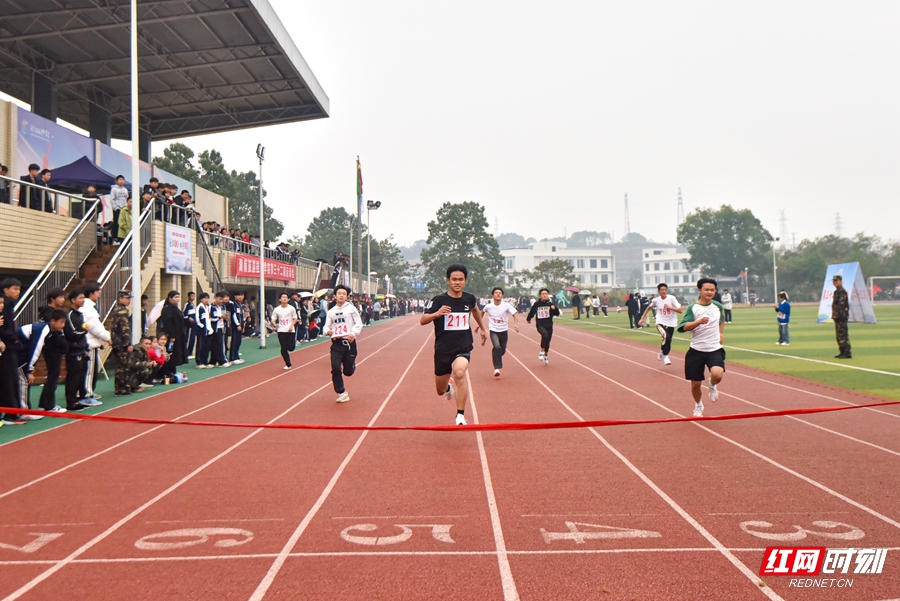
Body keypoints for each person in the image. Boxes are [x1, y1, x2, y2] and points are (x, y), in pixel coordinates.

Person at [420, 264, 487, 426]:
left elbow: (475, 310)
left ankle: (460, 415)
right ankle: (449, 388)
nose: (457, 282)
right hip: (443, 349)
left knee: (459, 373)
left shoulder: (469, 298)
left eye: (461, 280)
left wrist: (483, 328)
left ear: (465, 281)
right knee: (440, 390)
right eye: (454, 280)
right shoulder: (439, 300)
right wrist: (437, 313)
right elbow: (423, 320)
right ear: (448, 281)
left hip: (463, 347)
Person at [677, 278, 726, 418]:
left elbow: (721, 319)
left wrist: (720, 332)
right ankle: (698, 405)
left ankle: (712, 384)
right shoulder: (693, 308)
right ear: (700, 290)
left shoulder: (718, 306)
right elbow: (683, 327)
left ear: (715, 291)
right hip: (696, 350)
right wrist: (698, 322)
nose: (709, 292)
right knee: (696, 384)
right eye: (706, 290)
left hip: (714, 348)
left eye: (712, 290)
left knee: (717, 374)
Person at [324, 285, 364, 402]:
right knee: (335, 368)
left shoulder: (351, 309)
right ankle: (341, 392)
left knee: (348, 372)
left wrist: (353, 333)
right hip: (336, 343)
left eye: (344, 294)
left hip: (349, 343)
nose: (341, 295)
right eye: (339, 293)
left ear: (347, 297)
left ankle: (351, 365)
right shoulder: (331, 311)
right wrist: (328, 331)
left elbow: (359, 323)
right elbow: (326, 325)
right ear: (335, 296)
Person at [0, 281, 26, 424]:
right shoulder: (7, 306)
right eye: (15, 289)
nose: (18, 292)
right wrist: (13, 340)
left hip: (8, 347)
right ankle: (11, 414)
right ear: (6, 289)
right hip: (7, 349)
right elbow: (6, 330)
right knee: (9, 380)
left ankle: (14, 412)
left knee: (11, 380)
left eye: (19, 289)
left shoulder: (8, 305)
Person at [639, 283, 682, 366]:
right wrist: (642, 318)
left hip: (671, 323)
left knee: (668, 341)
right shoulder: (656, 300)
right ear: (658, 291)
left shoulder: (672, 298)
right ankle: (666, 356)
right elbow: (649, 307)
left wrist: (670, 307)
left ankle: (662, 351)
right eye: (662, 290)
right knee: (666, 337)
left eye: (665, 290)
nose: (664, 291)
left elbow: (679, 310)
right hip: (660, 322)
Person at [80, 282, 109, 406]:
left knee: (88, 370)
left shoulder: (88, 307)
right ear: (91, 293)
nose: (99, 294)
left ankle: (87, 391)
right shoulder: (88, 308)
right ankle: (86, 395)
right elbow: (94, 326)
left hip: (88, 342)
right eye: (98, 292)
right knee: (89, 371)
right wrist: (108, 337)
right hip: (89, 344)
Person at [62, 288, 90, 412]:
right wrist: (84, 331)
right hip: (73, 351)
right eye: (80, 298)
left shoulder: (80, 314)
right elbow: (72, 333)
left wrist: (86, 347)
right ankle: (71, 402)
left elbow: (82, 335)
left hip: (81, 349)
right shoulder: (70, 315)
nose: (83, 300)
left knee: (80, 375)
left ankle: (78, 399)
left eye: (84, 297)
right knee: (73, 376)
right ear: (73, 300)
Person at [481, 287, 518, 377]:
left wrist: (515, 324)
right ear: (493, 295)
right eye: (496, 293)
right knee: (497, 347)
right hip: (493, 330)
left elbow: (515, 314)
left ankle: (496, 354)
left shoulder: (506, 305)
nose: (498, 294)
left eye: (500, 293)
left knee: (502, 350)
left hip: (504, 330)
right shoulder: (488, 306)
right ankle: (497, 368)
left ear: (502, 296)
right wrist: (479, 324)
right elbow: (481, 313)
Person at [111, 290, 140, 396]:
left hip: (117, 342)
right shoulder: (122, 311)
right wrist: (128, 344)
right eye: (127, 298)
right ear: (120, 298)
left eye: (129, 298)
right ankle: (121, 387)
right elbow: (125, 330)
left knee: (122, 366)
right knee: (123, 366)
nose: (129, 301)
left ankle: (122, 387)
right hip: (122, 343)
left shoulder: (117, 310)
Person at [526, 288, 560, 364]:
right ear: (540, 295)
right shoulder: (537, 304)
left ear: (548, 295)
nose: (544, 295)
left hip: (549, 325)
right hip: (540, 324)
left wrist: (554, 309)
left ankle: (546, 354)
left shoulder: (551, 304)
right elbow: (532, 312)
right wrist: (529, 318)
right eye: (543, 294)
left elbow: (557, 314)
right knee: (545, 335)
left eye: (546, 294)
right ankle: (541, 351)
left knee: (548, 340)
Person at [159, 291, 187, 368]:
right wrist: (172, 336)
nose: (177, 299)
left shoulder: (175, 308)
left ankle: (172, 370)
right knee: (171, 353)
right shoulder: (167, 309)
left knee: (177, 354)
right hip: (172, 335)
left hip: (179, 334)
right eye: (175, 297)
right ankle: (167, 372)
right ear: (170, 298)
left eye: (178, 297)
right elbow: (168, 323)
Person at [271, 293, 299, 369]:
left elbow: (295, 318)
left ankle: (289, 347)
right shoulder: (277, 309)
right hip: (281, 330)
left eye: (286, 297)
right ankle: (288, 364)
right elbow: (273, 318)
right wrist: (275, 324)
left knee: (291, 347)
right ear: (280, 299)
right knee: (283, 348)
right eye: (283, 297)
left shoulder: (291, 308)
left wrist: (291, 326)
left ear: (288, 299)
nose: (284, 298)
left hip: (290, 330)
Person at [831, 275, 851, 358]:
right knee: (839, 335)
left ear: (841, 281)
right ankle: (842, 351)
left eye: (837, 281)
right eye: (834, 281)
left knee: (843, 334)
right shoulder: (837, 292)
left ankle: (846, 352)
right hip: (838, 317)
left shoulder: (842, 292)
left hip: (841, 317)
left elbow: (841, 306)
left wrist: (838, 315)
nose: (835, 282)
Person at [209, 292, 231, 367]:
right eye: (220, 299)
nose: (221, 301)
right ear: (215, 298)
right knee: (217, 344)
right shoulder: (211, 307)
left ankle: (214, 361)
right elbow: (210, 318)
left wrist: (225, 317)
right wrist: (219, 317)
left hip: (221, 327)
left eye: (222, 299)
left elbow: (224, 316)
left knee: (220, 344)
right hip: (214, 328)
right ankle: (220, 361)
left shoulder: (223, 306)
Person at [228, 291, 247, 364]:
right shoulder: (233, 304)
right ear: (235, 296)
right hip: (235, 326)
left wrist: (244, 323)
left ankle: (236, 356)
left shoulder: (240, 305)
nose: (240, 297)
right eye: (238, 295)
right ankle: (232, 358)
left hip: (241, 325)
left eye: (242, 295)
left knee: (239, 341)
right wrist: (237, 324)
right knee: (234, 341)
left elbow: (242, 315)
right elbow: (234, 315)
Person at [109, 175, 129, 242]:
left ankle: (122, 236)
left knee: (123, 222)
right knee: (117, 222)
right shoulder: (114, 189)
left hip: (124, 208)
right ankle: (115, 236)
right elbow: (112, 199)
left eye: (122, 179)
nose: (121, 181)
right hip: (117, 208)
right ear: (117, 181)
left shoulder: (125, 190)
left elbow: (127, 199)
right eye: (120, 179)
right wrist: (115, 207)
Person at [195, 292, 212, 368]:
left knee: (207, 346)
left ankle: (205, 361)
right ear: (201, 299)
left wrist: (209, 329)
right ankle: (199, 362)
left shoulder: (208, 307)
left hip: (208, 330)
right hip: (201, 330)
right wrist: (202, 327)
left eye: (207, 298)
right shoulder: (199, 308)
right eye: (204, 298)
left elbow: (208, 319)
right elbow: (197, 319)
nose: (206, 300)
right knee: (200, 346)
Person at [183, 291, 197, 359]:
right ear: (189, 297)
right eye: (192, 296)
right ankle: (186, 353)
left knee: (192, 339)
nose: (193, 297)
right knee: (188, 339)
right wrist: (188, 318)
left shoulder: (193, 305)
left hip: (193, 325)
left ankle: (190, 352)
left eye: (194, 296)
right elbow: (183, 314)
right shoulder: (187, 304)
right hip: (189, 325)